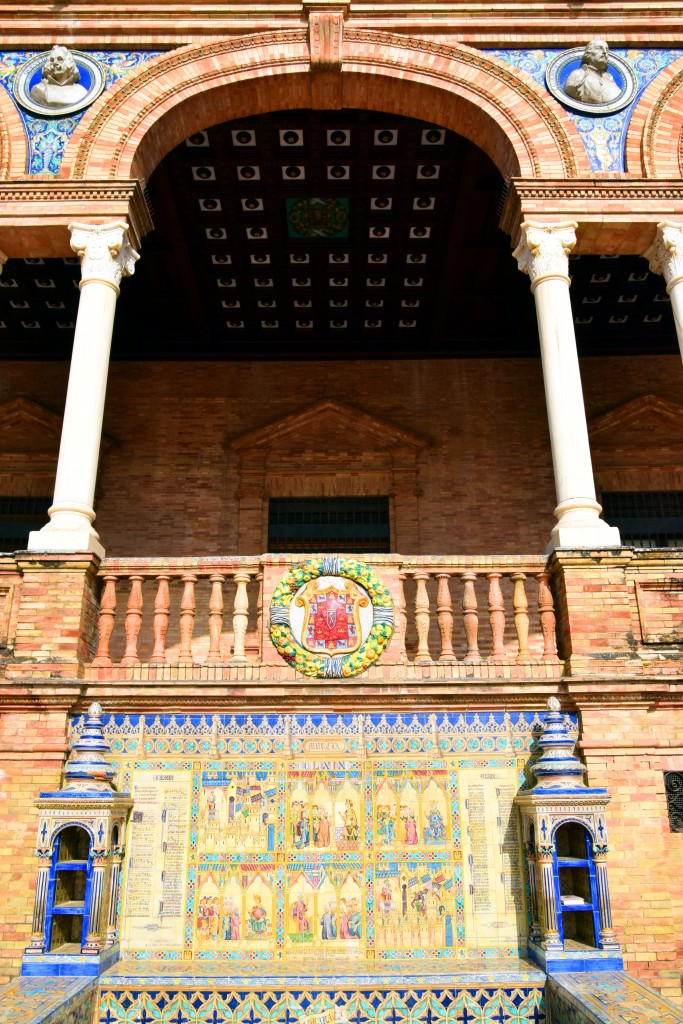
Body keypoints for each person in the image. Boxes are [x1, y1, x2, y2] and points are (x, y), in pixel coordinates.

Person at [564, 40, 621, 105]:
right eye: (599, 48)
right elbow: (570, 90)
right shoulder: (577, 74)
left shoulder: (610, 79)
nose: (605, 52)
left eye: (607, 50)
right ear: (589, 52)